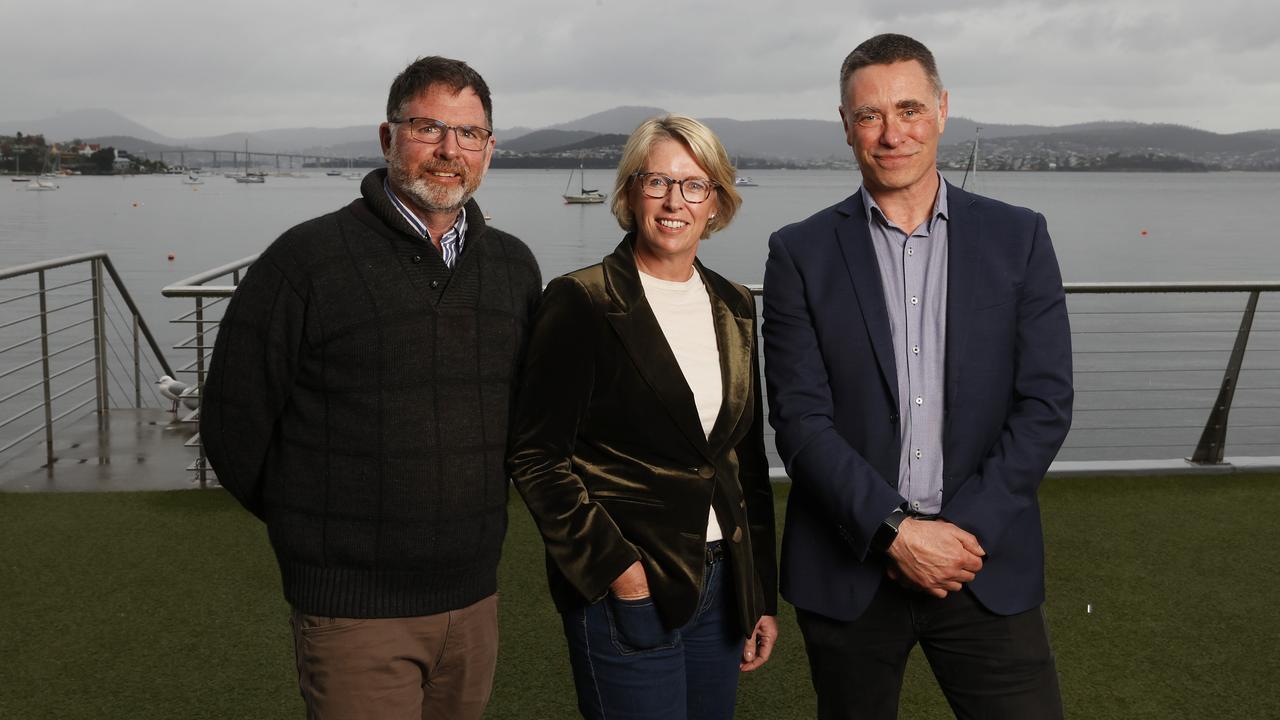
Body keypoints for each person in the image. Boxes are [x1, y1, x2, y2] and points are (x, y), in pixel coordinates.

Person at [199, 56, 541, 720]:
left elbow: (526, 421)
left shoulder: (513, 268)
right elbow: (233, 424)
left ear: (490, 149)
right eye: (428, 128)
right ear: (387, 138)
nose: (449, 150)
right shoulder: (306, 262)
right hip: (353, 611)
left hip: (473, 602)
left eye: (469, 134)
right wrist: (317, 528)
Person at [762, 34, 1073, 719]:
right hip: (851, 570)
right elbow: (800, 421)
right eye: (869, 115)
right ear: (846, 127)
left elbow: (1045, 403)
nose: (891, 132)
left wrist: (957, 538)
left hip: (982, 563)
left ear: (941, 110)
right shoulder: (799, 252)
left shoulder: (1018, 237)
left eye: (908, 109)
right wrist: (897, 533)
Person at [507, 115, 778, 720]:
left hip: (723, 589)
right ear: (630, 194)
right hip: (629, 590)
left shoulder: (734, 305)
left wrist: (759, 591)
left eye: (694, 184)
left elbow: (744, 461)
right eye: (657, 182)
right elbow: (536, 455)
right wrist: (617, 570)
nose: (675, 200)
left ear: (717, 202)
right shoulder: (583, 301)